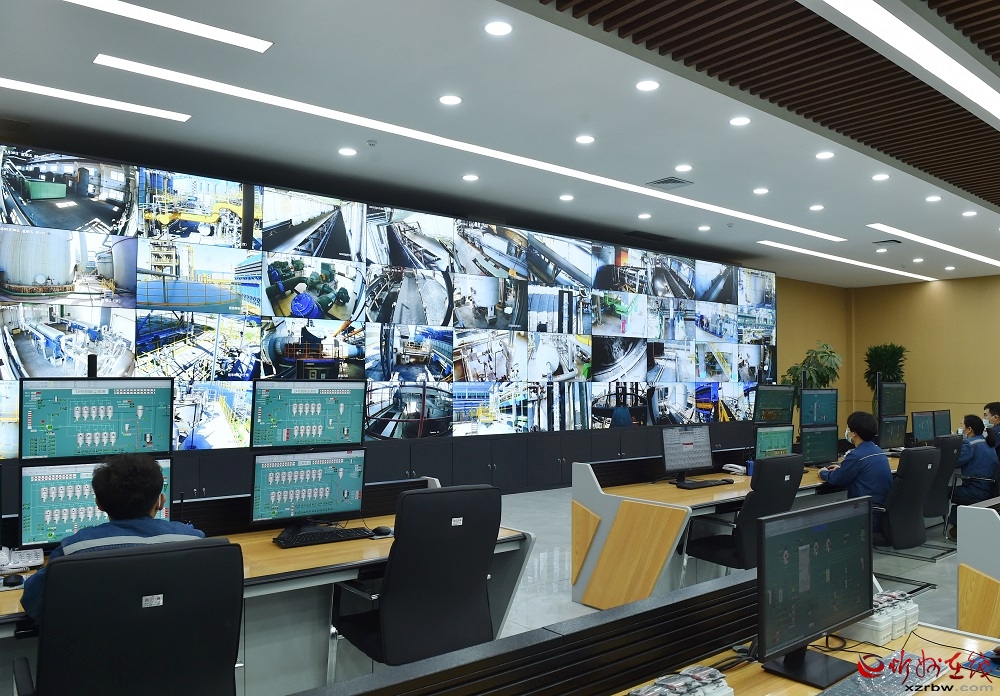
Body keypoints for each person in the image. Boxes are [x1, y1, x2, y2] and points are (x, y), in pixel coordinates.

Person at [21, 454, 205, 621]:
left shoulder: (74, 550)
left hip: (98, 647)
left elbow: (32, 602)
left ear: (98, 503)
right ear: (160, 501)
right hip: (174, 645)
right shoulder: (195, 542)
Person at [820, 411, 893, 530]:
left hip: (867, 514)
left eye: (848, 428)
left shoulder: (856, 456)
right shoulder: (879, 451)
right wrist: (841, 469)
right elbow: (856, 471)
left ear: (854, 433)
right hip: (881, 512)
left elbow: (837, 479)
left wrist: (823, 472)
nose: (847, 431)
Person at [948, 415, 1000, 541]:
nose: (960, 428)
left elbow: (952, 463)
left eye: (962, 425)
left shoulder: (969, 444)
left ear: (969, 429)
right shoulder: (987, 442)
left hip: (976, 491)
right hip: (990, 490)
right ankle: (957, 525)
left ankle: (955, 525)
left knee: (941, 491)